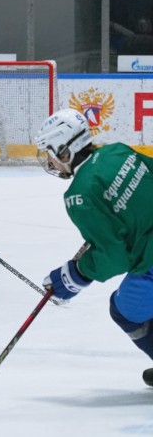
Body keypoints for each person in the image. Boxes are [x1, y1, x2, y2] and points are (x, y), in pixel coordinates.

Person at [36, 108, 153, 387]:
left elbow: (114, 256)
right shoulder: (117, 151)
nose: (50, 162)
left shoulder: (79, 194)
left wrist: (74, 274)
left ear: (64, 150)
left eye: (50, 153)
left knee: (124, 310)